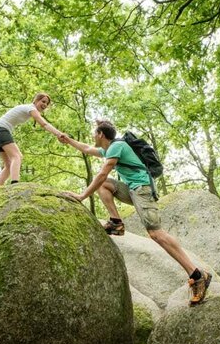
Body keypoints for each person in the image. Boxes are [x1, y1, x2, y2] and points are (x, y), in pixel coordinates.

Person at [60, 120, 212, 306]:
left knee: (156, 233)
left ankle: (197, 275)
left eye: (94, 133)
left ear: (101, 134)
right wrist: (68, 140)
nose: (93, 136)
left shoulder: (117, 146)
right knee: (105, 185)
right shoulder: (109, 149)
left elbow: (101, 173)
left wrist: (81, 196)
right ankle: (116, 222)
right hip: (132, 189)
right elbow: (86, 148)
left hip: (142, 189)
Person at [0, 93, 62, 186]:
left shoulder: (27, 108)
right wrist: (58, 133)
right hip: (1, 130)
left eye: (47, 104)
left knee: (8, 164)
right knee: (17, 156)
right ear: (36, 100)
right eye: (43, 101)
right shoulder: (31, 108)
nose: (45, 105)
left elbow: (7, 117)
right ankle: (15, 184)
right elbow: (44, 124)